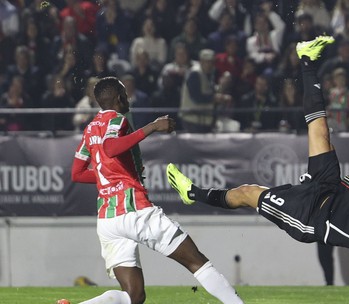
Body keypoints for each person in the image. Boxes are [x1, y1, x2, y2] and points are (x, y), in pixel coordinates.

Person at [166, 36, 349, 304]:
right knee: (320, 128)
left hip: (309, 216)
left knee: (247, 193)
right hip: (330, 184)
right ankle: (307, 60)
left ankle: (192, 193)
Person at [67, 77, 243, 304]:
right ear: (120, 98)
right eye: (125, 94)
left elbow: (77, 173)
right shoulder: (116, 120)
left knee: (134, 296)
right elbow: (110, 148)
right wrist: (153, 126)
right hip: (134, 210)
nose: (128, 98)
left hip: (108, 220)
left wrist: (112, 178)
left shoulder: (90, 129)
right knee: (196, 261)